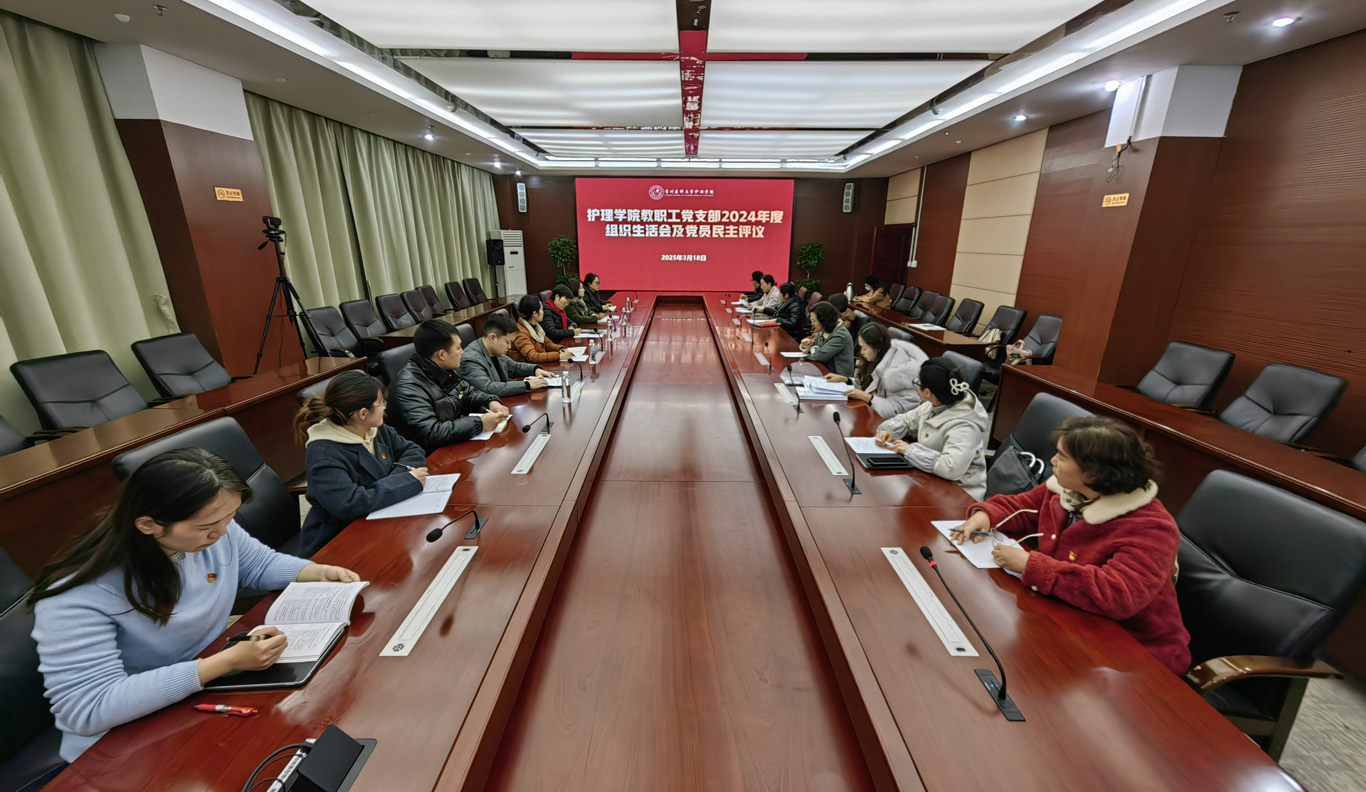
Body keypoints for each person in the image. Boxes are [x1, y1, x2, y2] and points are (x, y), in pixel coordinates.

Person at [29, 448, 359, 762]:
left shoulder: (213, 530)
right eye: (206, 527)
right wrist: (224, 662)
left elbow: (257, 564)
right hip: (124, 743)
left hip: (200, 692)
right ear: (148, 524)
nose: (223, 532)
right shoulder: (76, 596)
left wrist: (314, 572)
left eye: (230, 517)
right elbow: (89, 708)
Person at [950, 417, 1191, 675]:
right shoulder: (1065, 491)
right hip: (1067, 617)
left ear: (1095, 473)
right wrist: (987, 515)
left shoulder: (1152, 528)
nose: (1052, 461)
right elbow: (1024, 507)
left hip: (1134, 655)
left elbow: (1117, 595)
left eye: (1062, 457)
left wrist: (1032, 566)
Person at [293, 371, 429, 554]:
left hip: (380, 515)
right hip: (339, 539)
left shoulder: (374, 428)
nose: (385, 407)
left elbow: (412, 450)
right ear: (363, 413)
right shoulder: (324, 454)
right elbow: (349, 504)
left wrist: (397, 481)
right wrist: (405, 481)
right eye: (381, 402)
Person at [874, 356, 989, 499]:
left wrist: (910, 450)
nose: (916, 384)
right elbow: (908, 420)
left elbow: (950, 467)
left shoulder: (965, 425)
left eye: (917, 382)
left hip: (958, 495)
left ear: (927, 392)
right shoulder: (937, 402)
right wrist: (889, 431)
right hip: (930, 479)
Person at [389, 319, 509, 453]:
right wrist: (480, 423)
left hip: (451, 446)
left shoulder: (444, 370)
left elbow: (468, 393)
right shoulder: (408, 387)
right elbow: (432, 433)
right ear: (442, 354)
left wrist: (491, 402)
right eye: (458, 348)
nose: (462, 352)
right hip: (428, 456)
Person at [825, 323, 927, 417]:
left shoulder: (898, 373)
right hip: (873, 414)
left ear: (877, 348)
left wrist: (868, 398)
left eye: (864, 348)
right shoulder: (877, 358)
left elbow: (899, 409)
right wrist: (847, 380)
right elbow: (868, 386)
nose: (861, 352)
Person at [459, 313, 553, 398]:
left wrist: (535, 370)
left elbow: (514, 367)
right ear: (493, 337)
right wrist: (527, 385)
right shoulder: (471, 359)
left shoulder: (495, 350)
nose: (510, 346)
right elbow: (487, 388)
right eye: (507, 342)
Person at [510, 295, 573, 365]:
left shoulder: (536, 325)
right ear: (535, 314)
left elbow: (547, 344)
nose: (543, 312)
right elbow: (532, 356)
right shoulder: (520, 333)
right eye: (541, 310)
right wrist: (558, 356)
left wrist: (560, 349)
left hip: (539, 365)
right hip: (528, 369)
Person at [803, 300, 855, 379]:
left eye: (814, 321)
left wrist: (811, 349)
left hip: (838, 378)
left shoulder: (840, 335)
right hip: (824, 371)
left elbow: (819, 356)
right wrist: (805, 346)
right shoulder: (825, 329)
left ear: (824, 320)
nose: (812, 324)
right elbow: (814, 345)